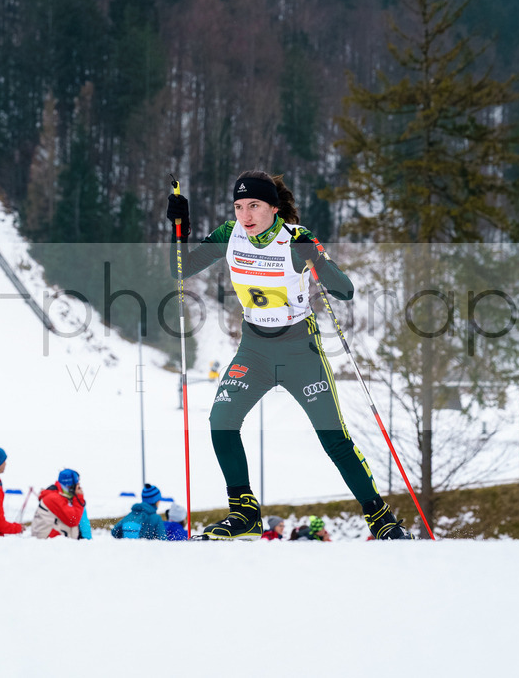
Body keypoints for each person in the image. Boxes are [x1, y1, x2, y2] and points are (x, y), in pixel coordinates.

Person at [167, 171, 412, 540]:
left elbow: (344, 290)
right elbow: (179, 269)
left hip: (300, 351)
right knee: (221, 420)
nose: (245, 215)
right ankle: (245, 514)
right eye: (238, 206)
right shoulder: (229, 235)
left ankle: (381, 519)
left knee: (334, 439)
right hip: (254, 349)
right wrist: (179, 228)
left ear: (273, 208)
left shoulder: (295, 239)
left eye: (254, 206)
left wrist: (316, 259)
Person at [31, 468, 86, 539]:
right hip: (48, 544)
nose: (79, 488)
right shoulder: (54, 498)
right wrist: (79, 498)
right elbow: (73, 520)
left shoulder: (61, 496)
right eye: (77, 485)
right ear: (70, 486)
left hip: (53, 542)